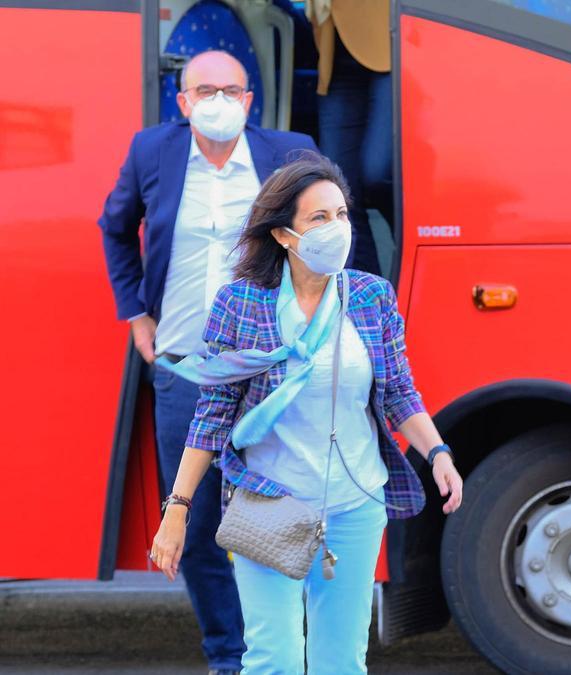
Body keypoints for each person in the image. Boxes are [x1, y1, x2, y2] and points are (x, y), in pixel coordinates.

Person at [148, 154, 464, 673]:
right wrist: (177, 510)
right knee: (276, 661)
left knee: (341, 662)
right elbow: (212, 415)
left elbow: (398, 392)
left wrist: (438, 452)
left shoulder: (370, 296)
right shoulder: (240, 303)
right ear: (283, 235)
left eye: (341, 214)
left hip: (355, 504)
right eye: (319, 218)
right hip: (268, 502)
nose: (337, 229)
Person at [97, 50, 317, 675]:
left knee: (278, 514)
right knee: (191, 519)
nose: (219, 99)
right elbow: (114, 226)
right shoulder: (153, 152)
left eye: (232, 89)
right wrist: (136, 311)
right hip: (185, 368)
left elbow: (328, 230)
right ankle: (230, 654)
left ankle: (284, 648)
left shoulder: (288, 152)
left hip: (273, 369)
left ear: (251, 101)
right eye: (205, 89)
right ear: (183, 100)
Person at [307, 0, 392, 275]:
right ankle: (366, 296)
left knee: (377, 173)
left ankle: (426, 242)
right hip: (336, 46)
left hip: (393, 40)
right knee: (338, 189)